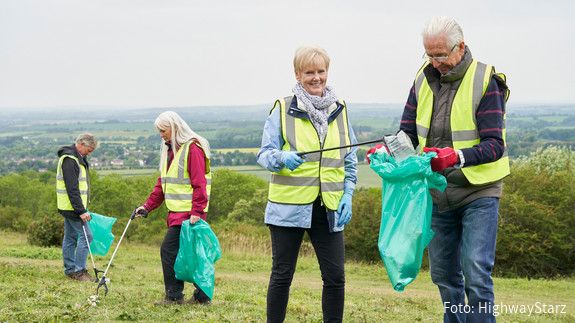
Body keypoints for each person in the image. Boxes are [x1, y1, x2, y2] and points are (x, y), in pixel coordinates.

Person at [398, 17, 510, 322]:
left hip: (479, 191)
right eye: (429, 55)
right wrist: (388, 150)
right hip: (436, 191)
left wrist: (456, 157)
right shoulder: (422, 79)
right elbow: (407, 132)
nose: (435, 63)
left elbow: (494, 145)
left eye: (441, 55)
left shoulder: (486, 80)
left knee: (475, 270)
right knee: (445, 276)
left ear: (460, 47)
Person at [257, 46, 358, 323]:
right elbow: (264, 154)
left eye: (321, 71)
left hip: (329, 207)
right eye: (309, 72)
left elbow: (349, 159)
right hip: (288, 209)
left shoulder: (341, 109)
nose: (316, 78)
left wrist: (348, 193)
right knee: (282, 276)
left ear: (328, 71)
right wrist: (281, 158)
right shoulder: (282, 107)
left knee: (335, 278)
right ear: (297, 74)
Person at [135, 111, 212, 305]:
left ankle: (174, 296)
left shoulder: (192, 148)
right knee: (193, 254)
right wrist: (147, 207)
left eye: (163, 130)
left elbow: (199, 184)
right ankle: (202, 297)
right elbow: (162, 185)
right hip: (178, 214)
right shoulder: (170, 151)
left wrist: (197, 211)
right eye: (159, 131)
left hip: (189, 215)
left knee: (168, 251)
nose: (161, 134)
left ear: (175, 127)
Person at [56, 133, 98, 282]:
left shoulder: (78, 158)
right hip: (72, 208)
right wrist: (81, 210)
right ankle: (79, 271)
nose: (90, 153)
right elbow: (72, 189)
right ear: (81, 143)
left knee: (70, 237)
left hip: (69, 206)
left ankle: (70, 270)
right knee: (87, 236)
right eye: (89, 149)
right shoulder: (70, 160)